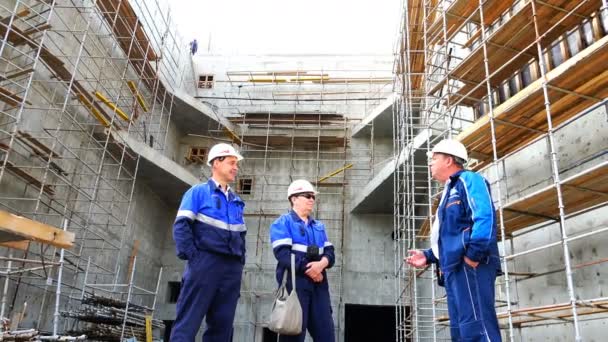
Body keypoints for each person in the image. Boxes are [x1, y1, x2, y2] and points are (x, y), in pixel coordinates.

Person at [405, 139, 502, 342]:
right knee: (461, 331)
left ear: (448, 160)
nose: (430, 163)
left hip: (470, 265)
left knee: (478, 328)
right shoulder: (448, 192)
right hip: (454, 269)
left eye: (434, 159)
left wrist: (473, 256)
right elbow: (451, 234)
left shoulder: (469, 180)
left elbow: (484, 217)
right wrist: (429, 255)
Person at [171, 143, 246, 342]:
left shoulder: (237, 202)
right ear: (216, 163)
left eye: (236, 164)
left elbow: (242, 236)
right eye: (231, 163)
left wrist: (239, 263)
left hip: (231, 268)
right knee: (188, 321)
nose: (235, 168)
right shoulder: (198, 192)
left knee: (222, 326)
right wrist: (194, 259)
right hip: (204, 263)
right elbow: (181, 227)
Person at [270, 179, 335, 342]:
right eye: (308, 196)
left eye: (313, 196)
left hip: (319, 288)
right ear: (294, 199)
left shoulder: (319, 226)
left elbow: (330, 253)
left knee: (326, 336)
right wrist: (312, 271)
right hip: (295, 287)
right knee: (292, 335)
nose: (312, 199)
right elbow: (283, 255)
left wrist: (321, 264)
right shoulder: (282, 223)